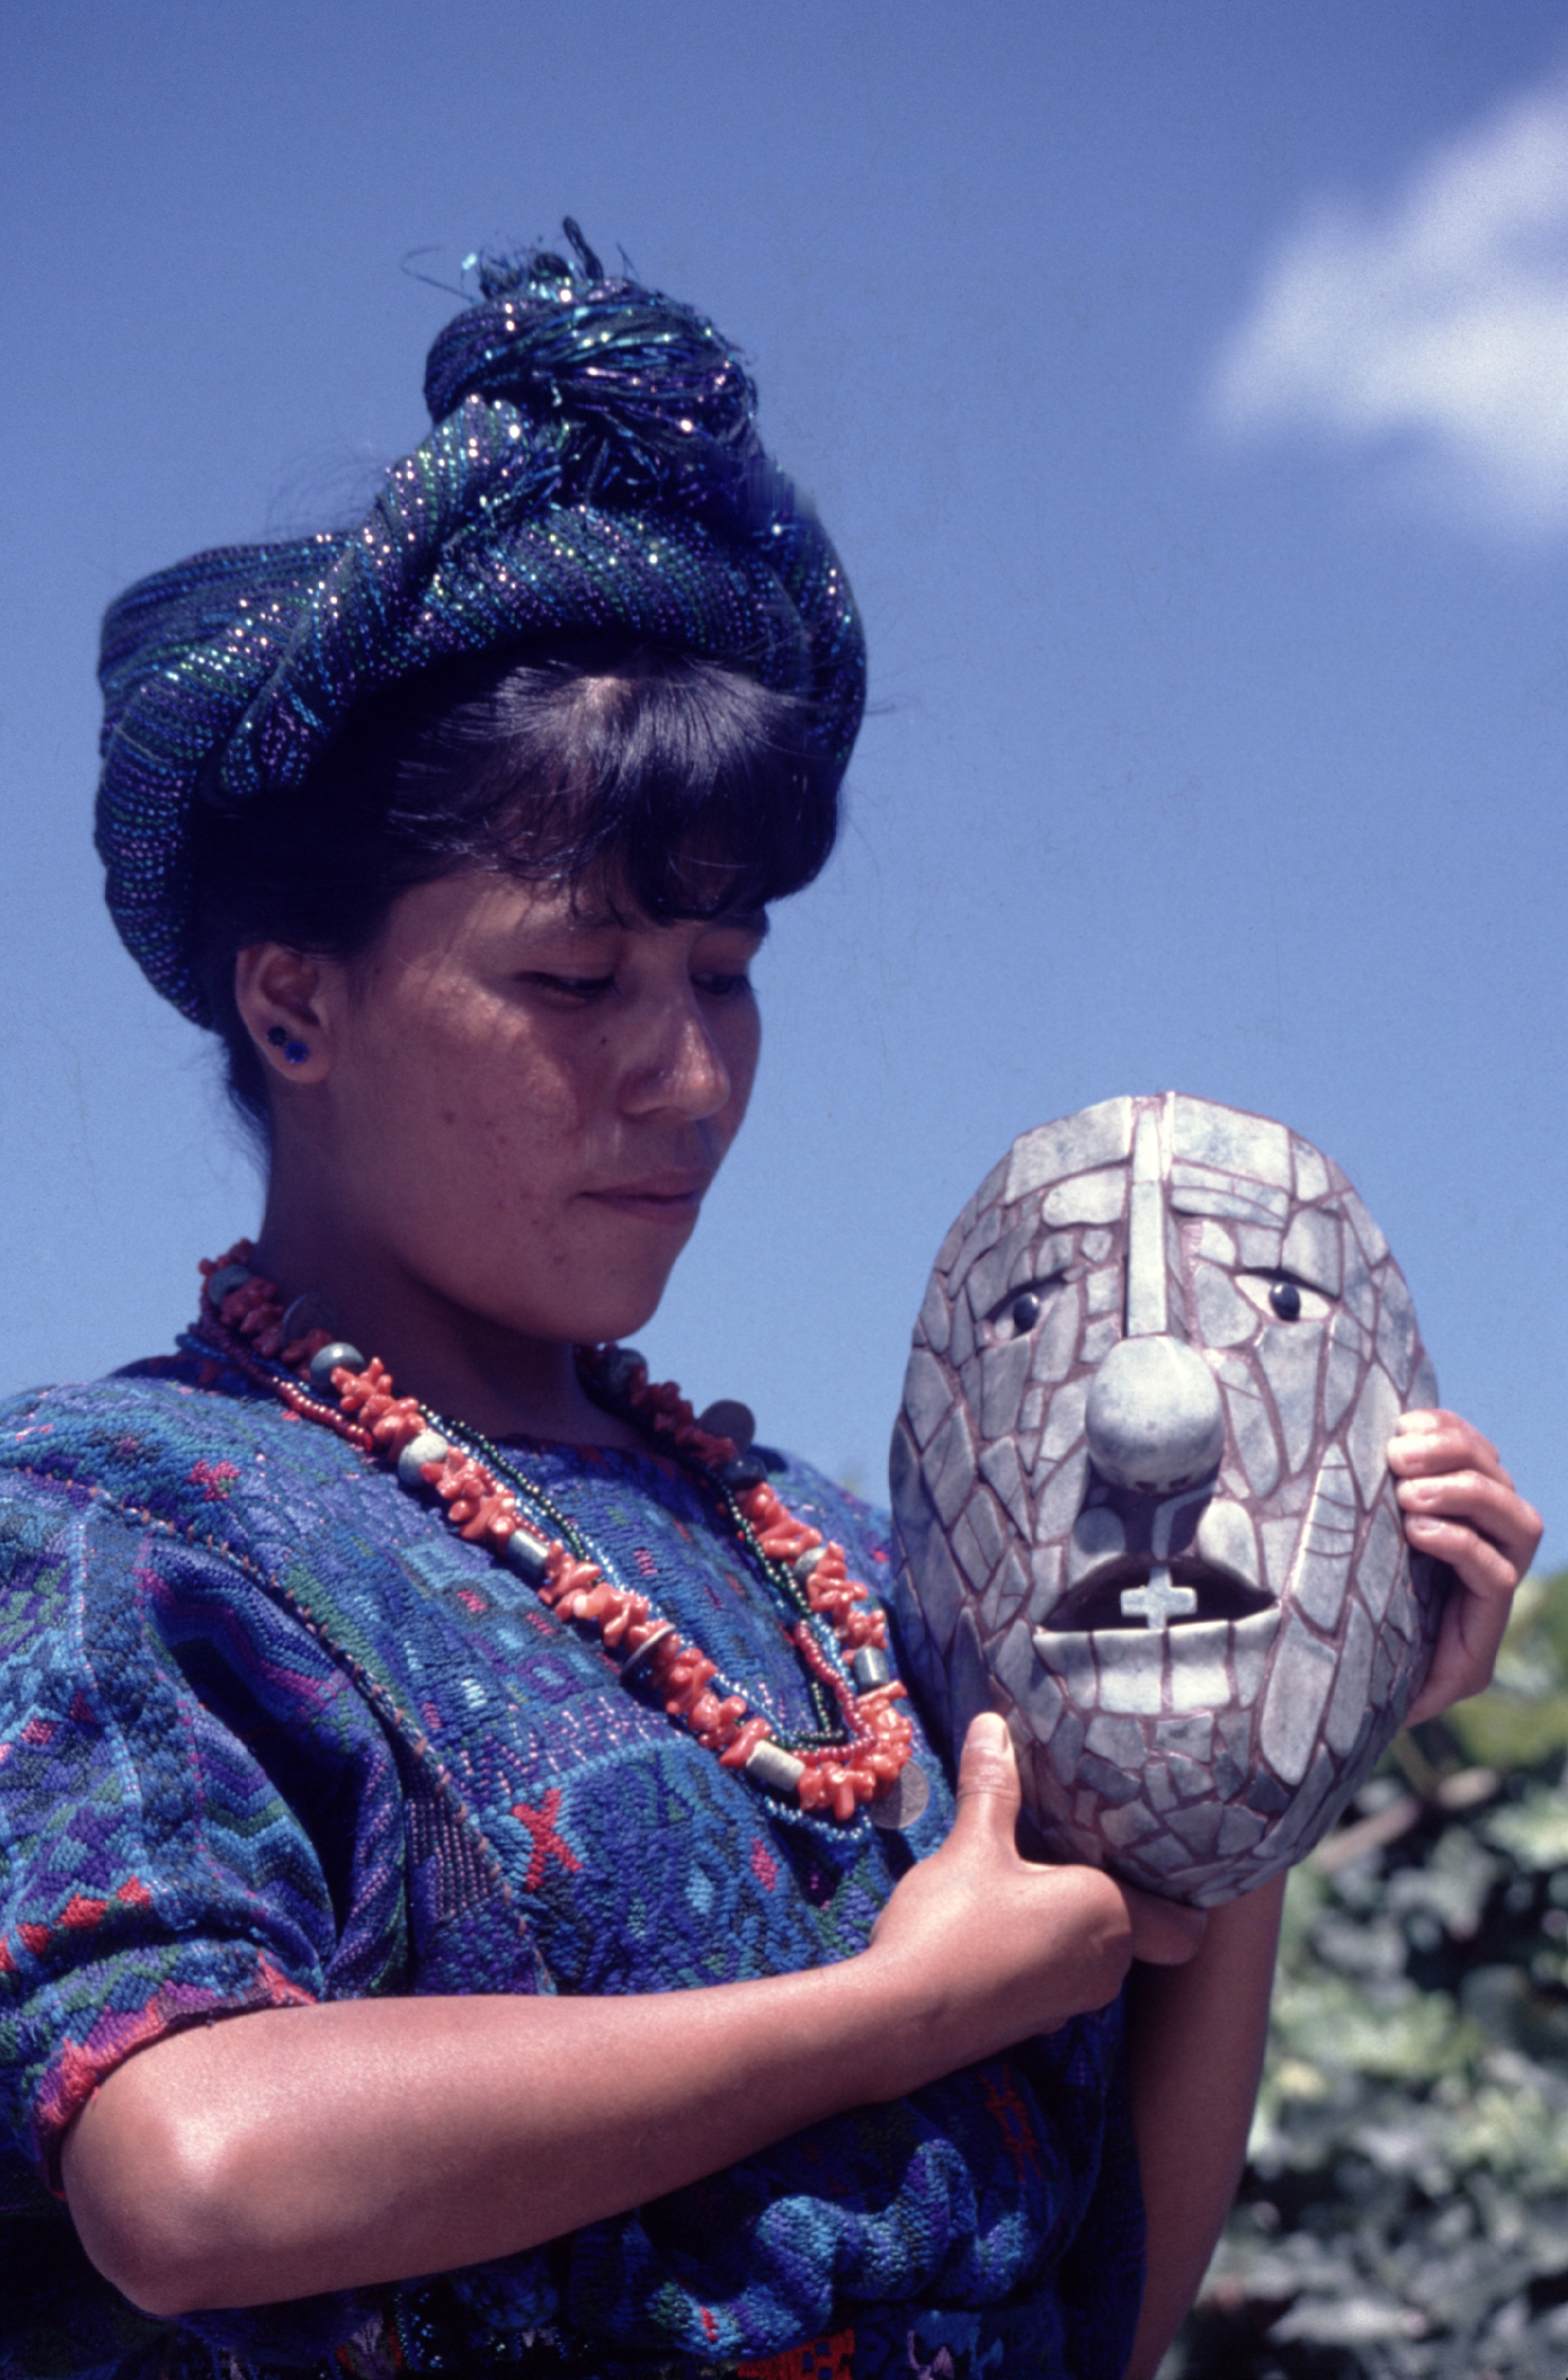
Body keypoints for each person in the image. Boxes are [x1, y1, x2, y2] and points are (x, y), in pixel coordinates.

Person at [0, 232, 1540, 2380]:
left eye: (723, 977)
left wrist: (1272, 1733)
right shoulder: (126, 1529)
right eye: (572, 981)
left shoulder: (843, 1571)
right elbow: (191, 2175)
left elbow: (1104, 2309)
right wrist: (893, 2014)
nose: (684, 1073)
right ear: (294, 1000)